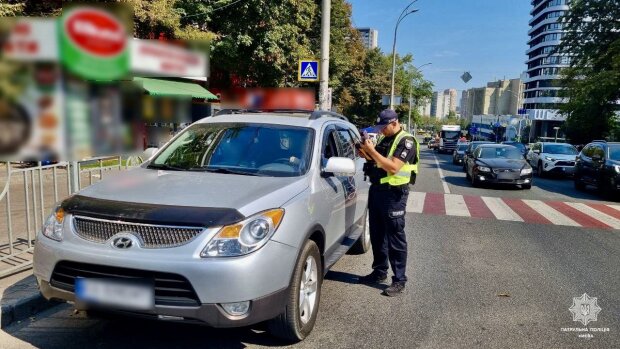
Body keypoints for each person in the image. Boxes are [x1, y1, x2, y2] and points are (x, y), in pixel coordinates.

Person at [357, 109, 419, 297]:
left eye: (384, 127)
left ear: (394, 123)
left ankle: (399, 280)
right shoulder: (386, 139)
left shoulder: (406, 141)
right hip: (377, 191)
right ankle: (379, 272)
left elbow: (392, 167)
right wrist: (364, 151)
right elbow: (377, 161)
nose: (381, 131)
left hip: (394, 195)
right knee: (377, 235)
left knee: (395, 238)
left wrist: (372, 150)